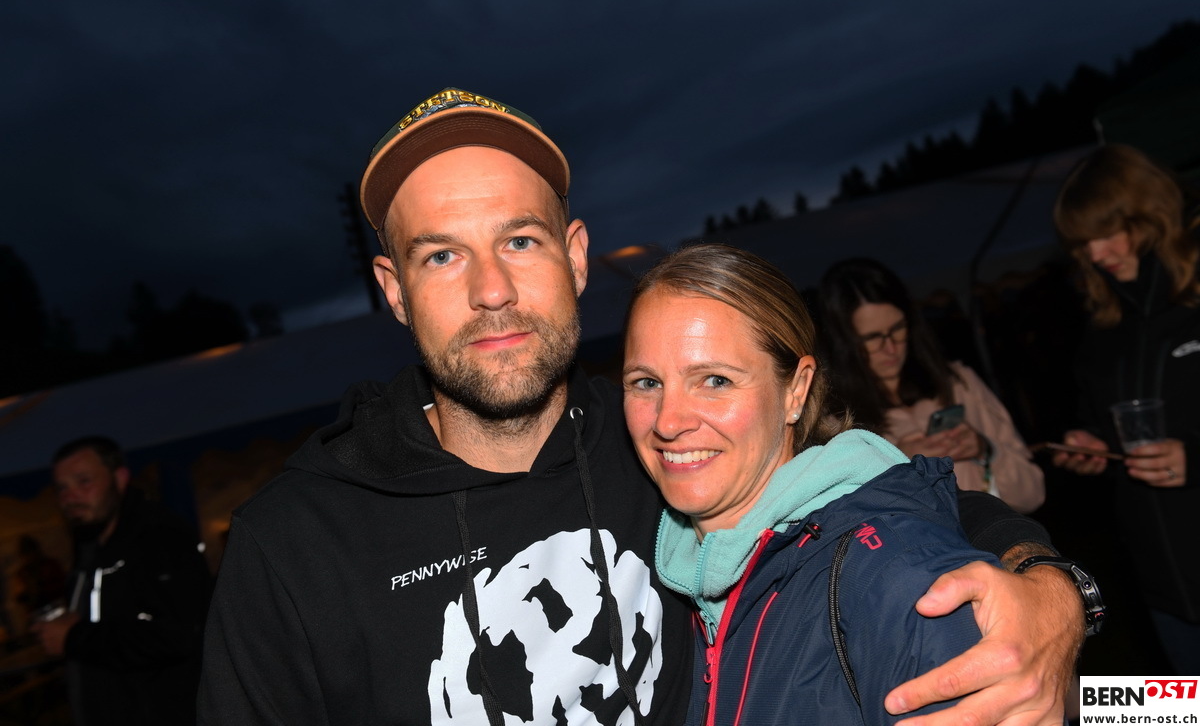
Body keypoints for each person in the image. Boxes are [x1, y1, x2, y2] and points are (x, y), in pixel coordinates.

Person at [199, 86, 1086, 725]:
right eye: (441, 256)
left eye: (520, 240)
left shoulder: (664, 452)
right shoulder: (295, 543)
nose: (492, 290)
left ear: (576, 256)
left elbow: (906, 505)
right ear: (394, 291)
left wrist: (1060, 595)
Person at [623, 243, 1020, 723]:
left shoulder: (895, 577)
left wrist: (1058, 586)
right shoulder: (654, 577)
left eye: (715, 380)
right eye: (646, 383)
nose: (668, 421)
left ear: (795, 390)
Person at [1051, 143, 1200, 672]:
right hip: (1164, 586)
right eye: (1082, 242)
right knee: (1184, 706)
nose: (1096, 253)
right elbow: (1106, 423)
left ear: (1149, 216)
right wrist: (1094, 445)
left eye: (1107, 232)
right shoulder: (1105, 327)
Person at [819, 258, 1045, 514]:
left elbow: (1033, 494)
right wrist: (896, 466)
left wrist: (985, 449)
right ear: (843, 344)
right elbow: (846, 520)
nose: (890, 348)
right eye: (872, 338)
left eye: (897, 329)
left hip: (994, 533)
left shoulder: (956, 382)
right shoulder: (833, 420)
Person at [31, 436, 212, 726]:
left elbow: (178, 636)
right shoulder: (89, 546)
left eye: (84, 481)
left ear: (120, 478)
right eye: (62, 488)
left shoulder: (160, 538)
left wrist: (74, 637)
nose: (70, 497)